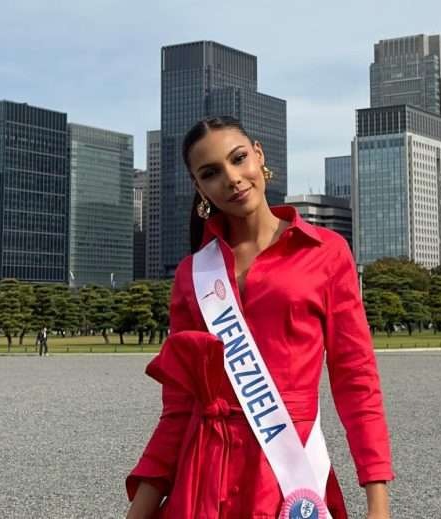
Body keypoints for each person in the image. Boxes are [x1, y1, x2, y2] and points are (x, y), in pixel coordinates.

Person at [126, 116, 394, 518]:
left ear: (259, 155)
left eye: (238, 159)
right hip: (203, 479)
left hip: (287, 479)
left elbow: (356, 379)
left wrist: (378, 502)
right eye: (211, 173)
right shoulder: (193, 274)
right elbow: (179, 407)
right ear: (199, 188)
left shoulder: (326, 252)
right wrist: (141, 508)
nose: (232, 179)